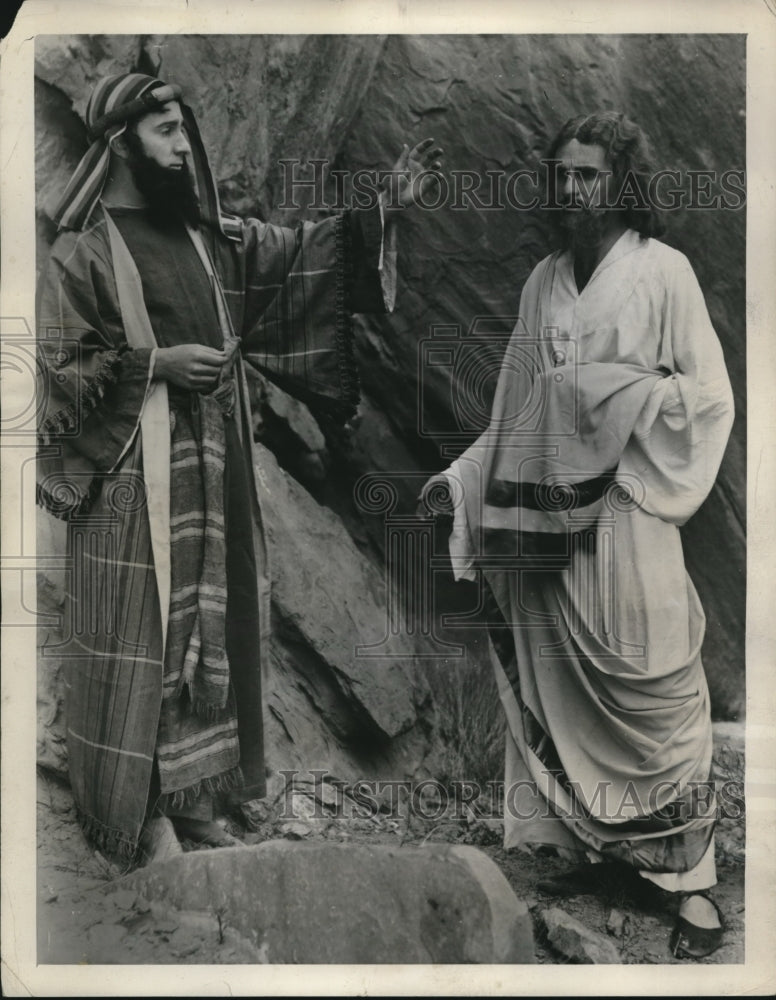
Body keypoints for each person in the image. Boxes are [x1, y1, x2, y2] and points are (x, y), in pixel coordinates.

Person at [37, 72, 443, 867]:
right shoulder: (83, 250)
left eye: (185, 129)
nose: (184, 146)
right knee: (143, 631)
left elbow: (296, 262)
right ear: (120, 144)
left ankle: (201, 798)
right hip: (133, 478)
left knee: (216, 627)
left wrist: (378, 211)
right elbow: (55, 370)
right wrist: (156, 362)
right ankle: (138, 811)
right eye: (165, 133)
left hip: (214, 460)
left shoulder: (204, 234)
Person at [423, 112, 734, 959]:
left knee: (655, 684)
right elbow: (519, 412)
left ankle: (694, 885)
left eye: (588, 175)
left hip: (630, 512)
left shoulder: (663, 273)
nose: (571, 190)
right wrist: (458, 481)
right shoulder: (542, 283)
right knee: (560, 684)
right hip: (553, 527)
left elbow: (707, 399)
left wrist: (609, 395)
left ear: (620, 181)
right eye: (561, 176)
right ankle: (603, 852)